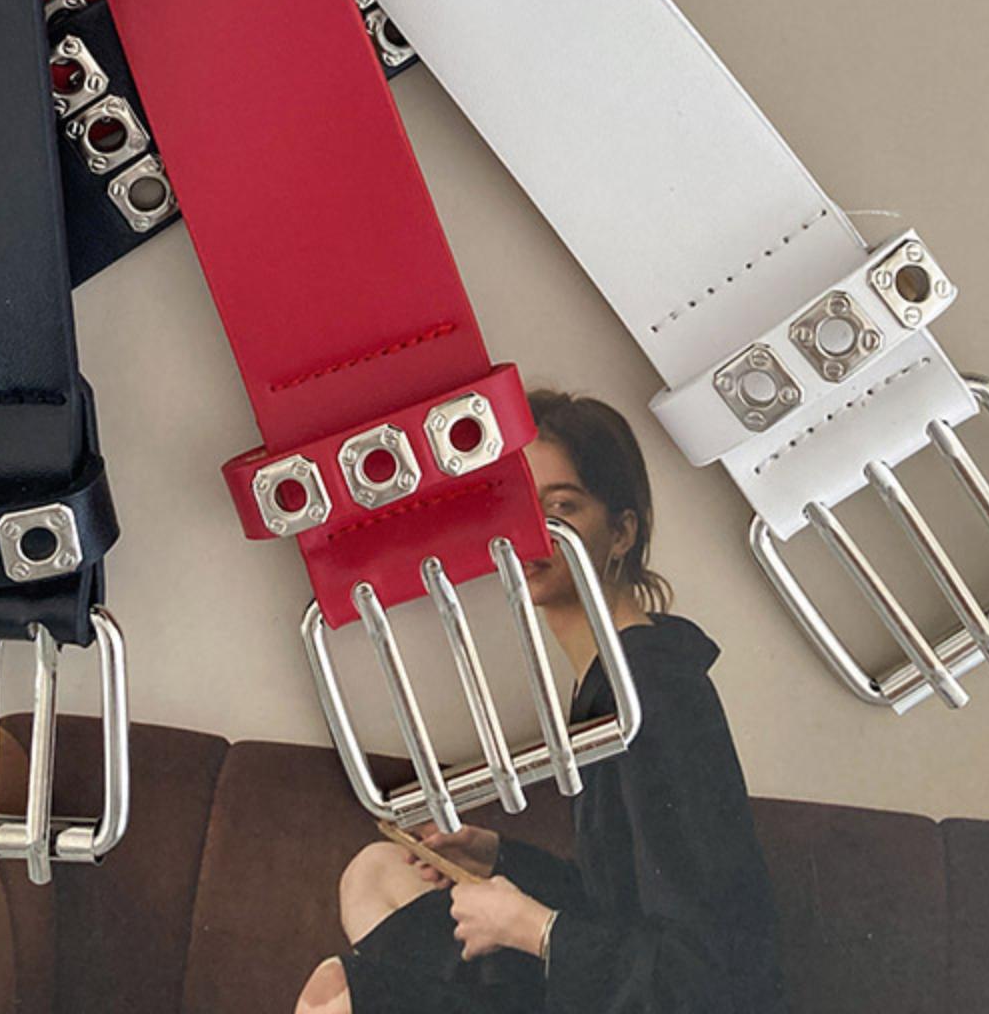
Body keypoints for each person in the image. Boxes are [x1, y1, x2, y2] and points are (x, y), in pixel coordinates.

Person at [294, 390, 789, 1014]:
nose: (530, 533)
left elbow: (710, 975)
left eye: (560, 508)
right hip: (602, 985)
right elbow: (622, 903)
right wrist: (500, 857)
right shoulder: (604, 680)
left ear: (621, 533)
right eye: (515, 507)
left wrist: (533, 928)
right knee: (377, 873)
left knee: (338, 999)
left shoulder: (656, 694)